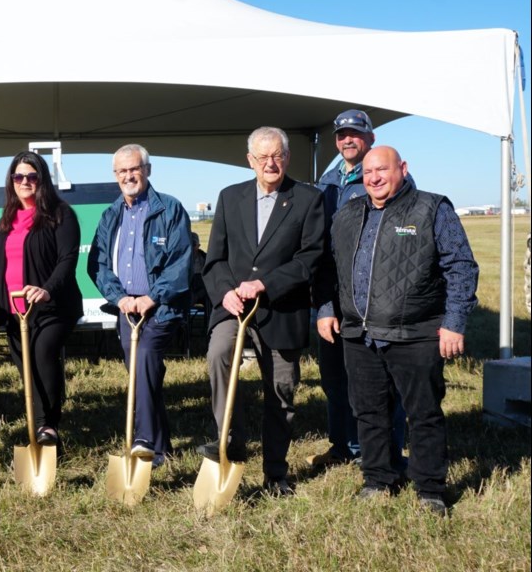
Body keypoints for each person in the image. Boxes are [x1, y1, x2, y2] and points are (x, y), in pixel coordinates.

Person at [317, 146, 478, 514]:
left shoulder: (432, 208)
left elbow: (461, 267)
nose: (374, 177)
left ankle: (430, 489)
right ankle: (378, 478)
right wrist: (326, 309)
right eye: (368, 171)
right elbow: (328, 267)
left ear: (402, 169)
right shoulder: (348, 213)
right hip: (358, 333)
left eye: (382, 170)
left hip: (416, 332)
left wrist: (454, 323)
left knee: (423, 412)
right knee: (368, 411)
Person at [198, 126, 325, 496]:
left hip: (281, 309)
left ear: (287, 157)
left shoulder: (307, 199)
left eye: (278, 156)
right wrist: (225, 293)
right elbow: (215, 259)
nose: (271, 163)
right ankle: (229, 442)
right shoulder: (230, 197)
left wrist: (265, 283)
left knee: (281, 389)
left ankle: (275, 472)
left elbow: (310, 257)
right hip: (234, 309)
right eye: (263, 157)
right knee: (219, 354)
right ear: (250, 160)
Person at [309, 109, 406, 469]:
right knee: (334, 379)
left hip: (374, 297)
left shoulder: (382, 177)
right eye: (341, 135)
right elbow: (318, 246)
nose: (347, 140)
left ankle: (384, 452)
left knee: (380, 383)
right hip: (334, 294)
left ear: (370, 138)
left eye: (355, 133)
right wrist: (323, 306)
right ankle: (342, 446)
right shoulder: (327, 181)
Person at [88, 143, 192, 467]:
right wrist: (119, 298)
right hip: (126, 310)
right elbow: (98, 264)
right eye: (122, 171)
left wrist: (153, 296)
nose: (129, 175)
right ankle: (163, 449)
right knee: (145, 376)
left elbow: (181, 262)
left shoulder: (170, 210)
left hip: (160, 308)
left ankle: (143, 441)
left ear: (147, 170)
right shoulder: (110, 215)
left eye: (135, 168)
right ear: (115, 175)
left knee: (144, 362)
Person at [0, 151, 82, 450]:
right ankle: (39, 421)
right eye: (19, 176)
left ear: (42, 179)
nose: (25, 181)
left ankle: (48, 427)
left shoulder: (60, 213)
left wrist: (47, 289)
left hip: (52, 307)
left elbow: (67, 259)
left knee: (43, 353)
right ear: (11, 181)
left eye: (32, 176)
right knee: (24, 365)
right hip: (14, 310)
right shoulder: (6, 220)